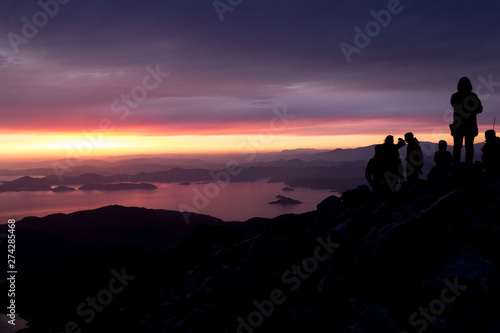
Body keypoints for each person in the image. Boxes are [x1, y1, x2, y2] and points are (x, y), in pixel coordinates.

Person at [450, 77, 483, 164]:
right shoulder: (473, 96)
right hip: (470, 126)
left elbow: (454, 106)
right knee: (469, 147)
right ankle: (468, 164)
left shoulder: (455, 96)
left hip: (458, 126)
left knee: (457, 147)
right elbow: (479, 109)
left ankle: (456, 164)